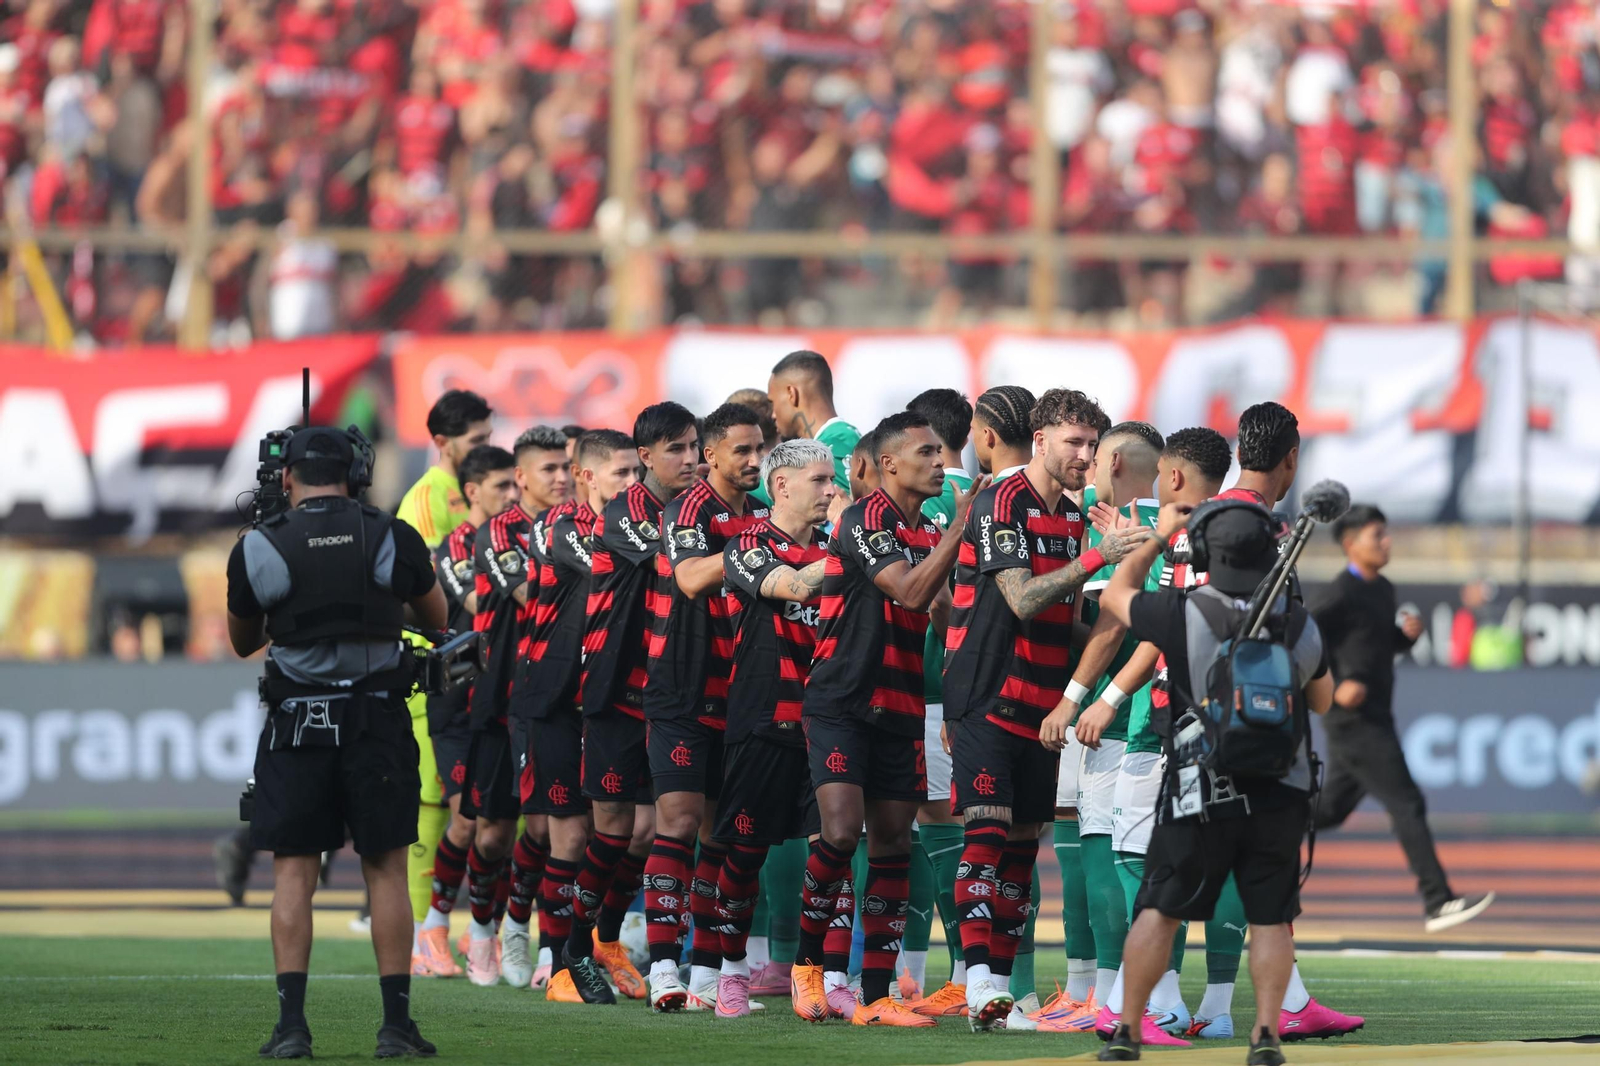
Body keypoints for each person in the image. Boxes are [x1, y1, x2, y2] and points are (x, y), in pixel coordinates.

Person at [228, 426, 446, 1059]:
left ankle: (291, 1027)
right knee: (386, 872)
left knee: (294, 874)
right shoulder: (390, 535)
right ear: (355, 474)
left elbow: (245, 641)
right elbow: (437, 620)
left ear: (287, 477)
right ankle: (395, 1027)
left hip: (297, 725)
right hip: (376, 721)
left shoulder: (261, 544)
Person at [1092, 498, 1334, 1065]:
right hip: (1281, 785)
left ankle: (1128, 1029)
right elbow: (1321, 699)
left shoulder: (1185, 608)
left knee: (1161, 906)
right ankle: (1267, 1035)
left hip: (1200, 785)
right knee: (1271, 915)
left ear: (1205, 552)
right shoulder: (1297, 620)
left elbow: (1114, 595)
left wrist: (1159, 536)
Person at [944, 390, 1149, 1032]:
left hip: (1041, 704)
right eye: (1073, 443)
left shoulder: (1073, 514)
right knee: (986, 832)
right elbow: (1024, 598)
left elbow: (1072, 619)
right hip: (984, 692)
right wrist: (1098, 558)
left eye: (1092, 444)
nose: (1085, 457)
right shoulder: (999, 501)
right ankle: (977, 983)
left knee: (1022, 851)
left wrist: (1127, 602)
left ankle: (1001, 995)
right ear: (1039, 441)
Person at [789, 411, 986, 1029]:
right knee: (843, 833)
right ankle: (807, 967)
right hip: (840, 703)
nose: (939, 462)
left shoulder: (924, 532)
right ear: (889, 464)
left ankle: (875, 995)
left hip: (901, 706)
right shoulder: (863, 519)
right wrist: (960, 527)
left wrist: (956, 704)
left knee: (896, 843)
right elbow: (907, 591)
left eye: (940, 452)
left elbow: (945, 620)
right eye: (926, 452)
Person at [1312, 504, 1495, 932]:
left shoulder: (1383, 589)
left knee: (1331, 810)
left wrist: (1403, 638)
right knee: (1407, 802)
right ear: (1350, 543)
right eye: (1378, 535)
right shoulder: (1339, 593)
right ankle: (1438, 901)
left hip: (1377, 715)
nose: (1387, 542)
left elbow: (1374, 647)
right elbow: (1302, 640)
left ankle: (1257, 826)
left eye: (1386, 533)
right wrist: (1335, 685)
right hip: (1355, 722)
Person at [641, 403, 770, 1012]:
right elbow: (692, 577)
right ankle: (664, 967)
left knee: (725, 835)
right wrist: (763, 549)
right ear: (711, 455)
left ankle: (707, 973)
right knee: (681, 821)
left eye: (759, 450)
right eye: (740, 450)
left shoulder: (767, 514)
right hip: (684, 687)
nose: (753, 461)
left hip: (744, 693)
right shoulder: (688, 509)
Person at [1036, 420, 1163, 1031]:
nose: (1083, 467)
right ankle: (1109, 993)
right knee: (1117, 855)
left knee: (1114, 855)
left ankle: (1113, 997)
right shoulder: (1152, 523)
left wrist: (1084, 695)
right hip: (1124, 714)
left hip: (1123, 719)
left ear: (1112, 464)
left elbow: (1122, 630)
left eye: (1093, 457)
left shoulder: (1134, 530)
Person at [707, 438, 837, 1019]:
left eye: (833, 481)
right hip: (763, 719)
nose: (830, 491)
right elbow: (795, 587)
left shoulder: (836, 544)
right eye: (818, 481)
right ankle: (730, 972)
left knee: (833, 847)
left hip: (828, 725)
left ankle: (815, 974)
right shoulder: (747, 544)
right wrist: (856, 554)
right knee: (743, 855)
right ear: (782, 486)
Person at [578, 403, 702, 1001]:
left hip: (664, 694)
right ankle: (569, 954)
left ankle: (604, 939)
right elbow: (678, 559)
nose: (690, 459)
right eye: (675, 449)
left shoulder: (694, 509)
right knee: (610, 830)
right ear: (646, 457)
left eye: (694, 447)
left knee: (651, 831)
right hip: (611, 687)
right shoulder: (628, 511)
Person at [460, 426, 571, 989]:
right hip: (500, 694)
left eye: (566, 467)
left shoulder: (578, 524)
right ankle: (479, 931)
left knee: (553, 828)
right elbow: (538, 595)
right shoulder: (498, 533)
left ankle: (519, 929)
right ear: (522, 477)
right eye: (549, 469)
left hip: (556, 698)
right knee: (492, 834)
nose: (561, 478)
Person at [412, 444, 518, 978]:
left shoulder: (522, 537)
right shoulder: (455, 546)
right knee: (464, 820)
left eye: (514, 484)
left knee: (501, 830)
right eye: (502, 486)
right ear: (473, 491)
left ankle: (489, 931)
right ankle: (431, 930)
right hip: (457, 701)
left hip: (504, 697)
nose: (512, 495)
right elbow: (482, 602)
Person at [395, 389, 493, 952]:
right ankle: (417, 933)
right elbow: (439, 590)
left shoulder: (477, 490)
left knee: (488, 800)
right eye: (475, 440)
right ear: (442, 443)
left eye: (488, 435)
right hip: (434, 664)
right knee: (433, 796)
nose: (485, 447)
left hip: (475, 659)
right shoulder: (430, 497)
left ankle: (475, 926)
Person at [901, 387, 974, 1010]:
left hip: (929, 688)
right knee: (940, 825)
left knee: (940, 825)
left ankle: (962, 972)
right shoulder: (986, 495)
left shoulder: (931, 502)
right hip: (965, 690)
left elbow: (932, 600)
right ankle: (934, 972)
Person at [767, 350, 859, 492]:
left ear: (792, 394)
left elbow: (845, 512)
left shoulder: (833, 447)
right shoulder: (847, 436)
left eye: (773, 402)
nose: (773, 414)